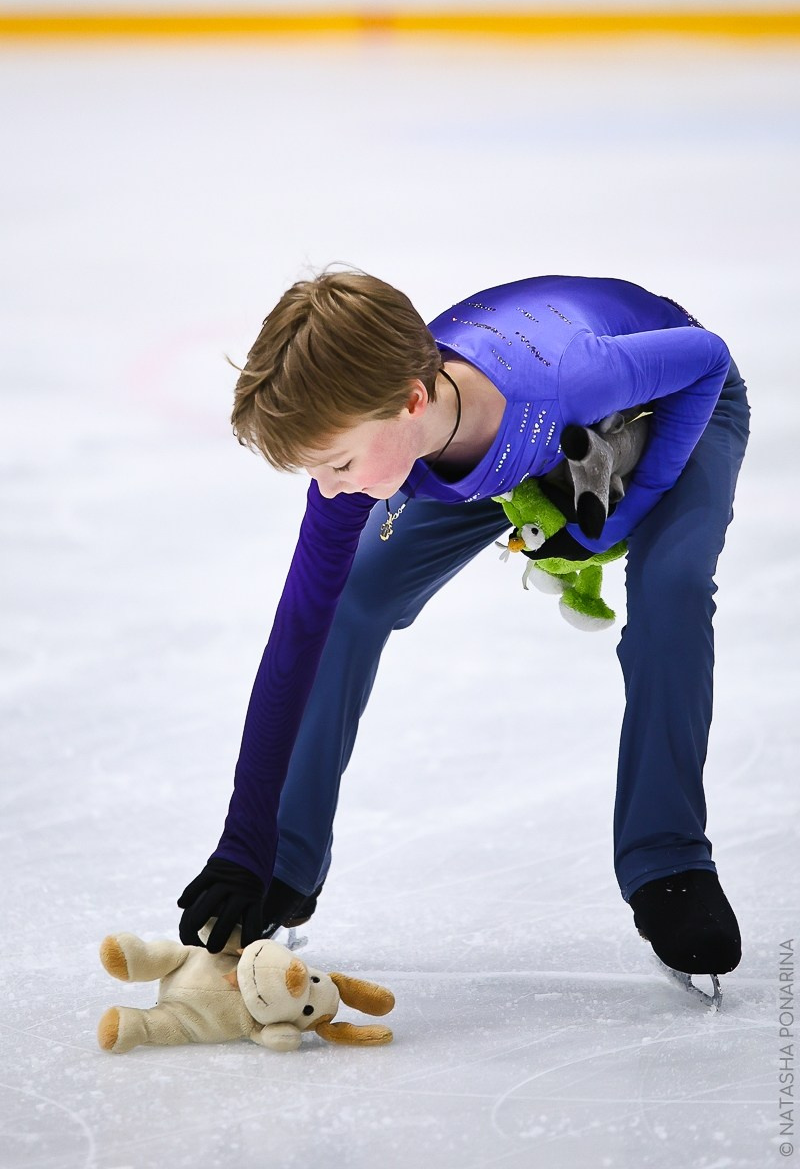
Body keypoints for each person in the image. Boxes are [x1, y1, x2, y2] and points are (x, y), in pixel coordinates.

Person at [177, 269, 750, 979]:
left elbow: (706, 357)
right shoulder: (381, 439)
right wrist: (246, 845)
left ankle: (669, 862)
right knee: (353, 596)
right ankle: (288, 860)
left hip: (666, 404)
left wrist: (620, 522)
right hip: (517, 446)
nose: (329, 492)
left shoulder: (575, 376)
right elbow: (298, 635)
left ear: (411, 399)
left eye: (338, 464)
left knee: (674, 589)